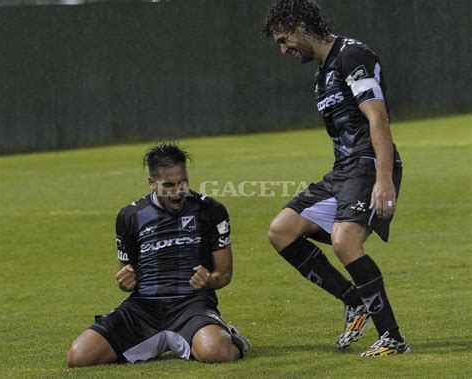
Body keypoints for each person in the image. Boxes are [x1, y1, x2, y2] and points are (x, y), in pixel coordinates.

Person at [262, 0, 410, 357]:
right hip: (343, 171)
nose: (283, 49)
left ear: (300, 25)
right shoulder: (322, 73)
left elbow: (378, 118)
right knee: (281, 231)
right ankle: (354, 299)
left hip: (368, 164)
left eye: (284, 39)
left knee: (345, 242)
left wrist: (384, 178)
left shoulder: (351, 56)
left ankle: (392, 337)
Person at [67, 142, 249, 367]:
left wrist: (210, 280)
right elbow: (128, 273)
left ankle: (232, 337)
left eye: (183, 182)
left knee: (217, 352)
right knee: (79, 356)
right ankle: (154, 340)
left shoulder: (211, 210)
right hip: (144, 308)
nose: (178, 192)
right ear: (151, 183)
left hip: (191, 305)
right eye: (169, 185)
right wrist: (125, 282)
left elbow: (224, 273)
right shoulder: (129, 216)